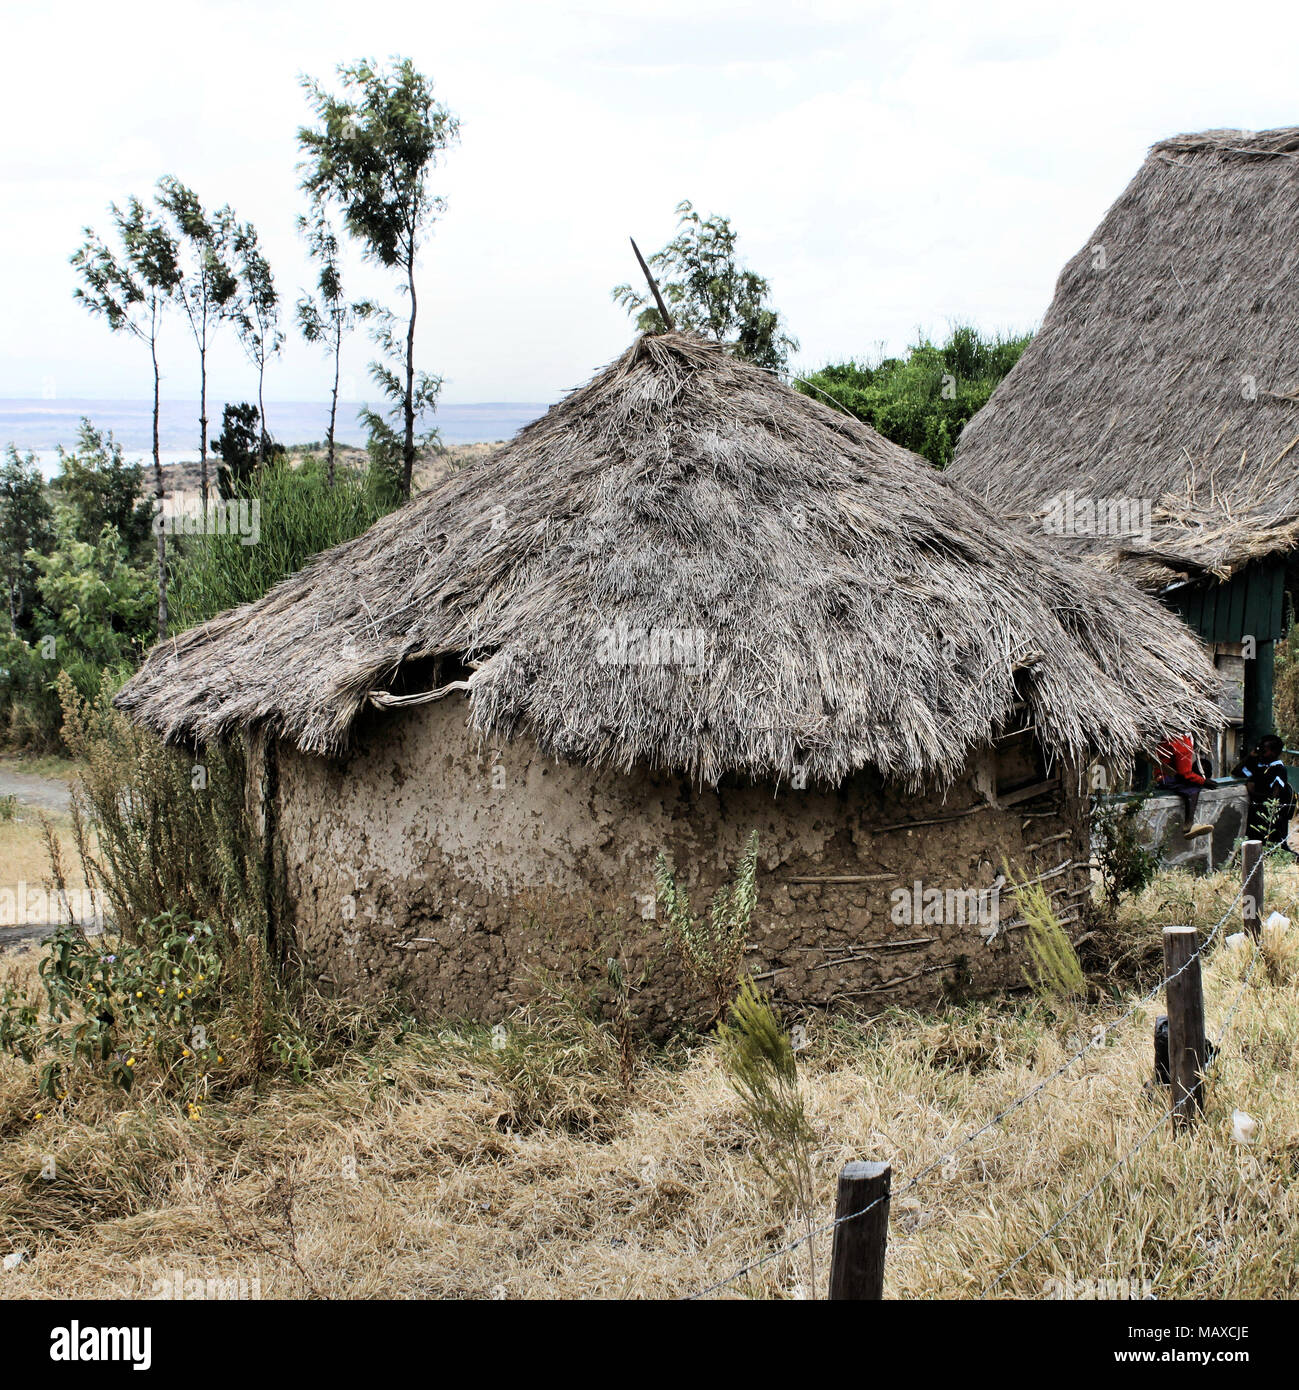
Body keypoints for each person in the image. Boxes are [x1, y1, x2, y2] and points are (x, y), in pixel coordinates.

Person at [1232, 734, 1296, 848]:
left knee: (1275, 847)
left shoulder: (1278, 769)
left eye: (1264, 750)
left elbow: (1274, 796)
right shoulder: (1260, 767)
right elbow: (1236, 772)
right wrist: (1250, 756)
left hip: (1271, 819)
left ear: (1274, 752)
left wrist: (1253, 793)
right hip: (1256, 816)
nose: (1260, 753)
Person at [1153, 732, 1214, 838]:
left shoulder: (1169, 736)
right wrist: (1204, 781)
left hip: (1162, 776)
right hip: (1167, 778)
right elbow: (1185, 773)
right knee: (1194, 788)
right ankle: (1189, 824)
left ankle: (1190, 824)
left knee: (1191, 785)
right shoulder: (1182, 742)